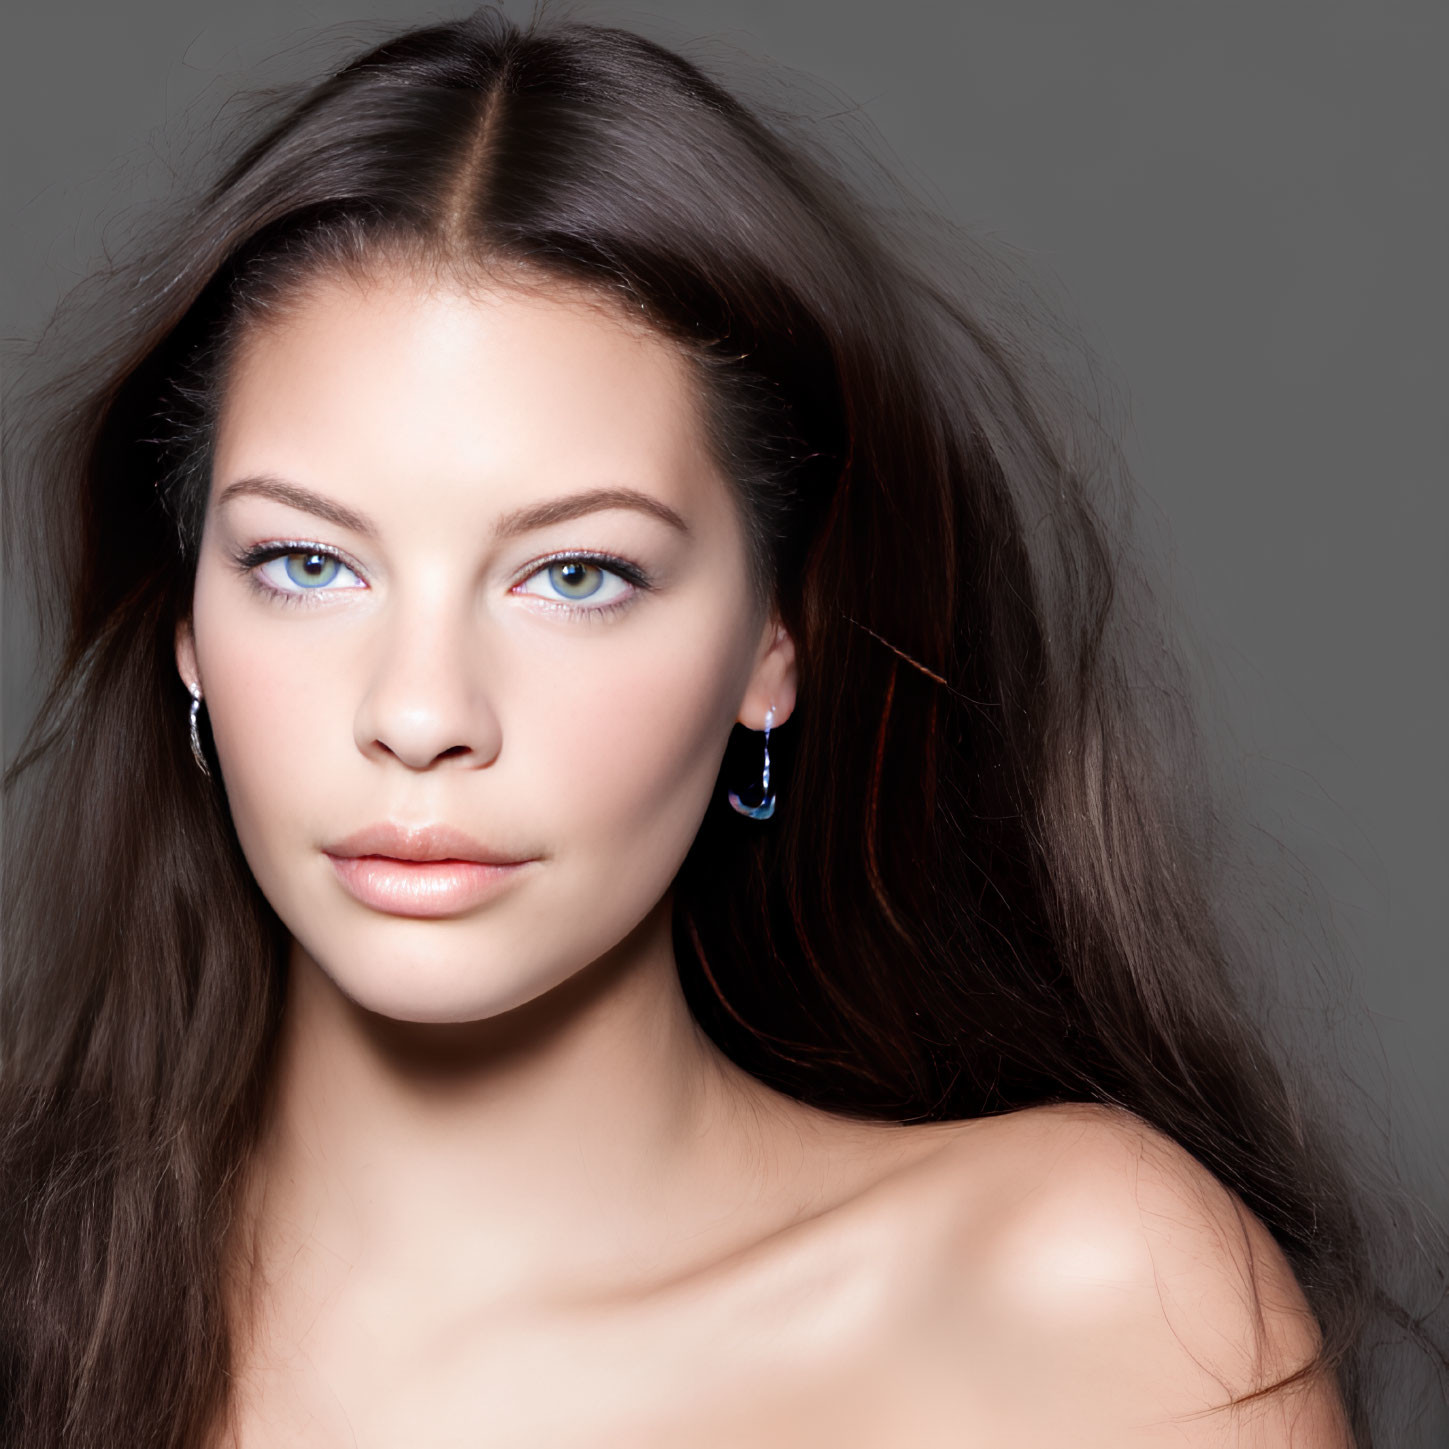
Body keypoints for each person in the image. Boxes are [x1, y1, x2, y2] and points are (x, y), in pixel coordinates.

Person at [0, 9, 1442, 1447]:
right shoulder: (39, 1305)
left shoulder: (1068, 1304)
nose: (422, 713)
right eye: (307, 564)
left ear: (772, 643)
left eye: (576, 575)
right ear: (189, 622)